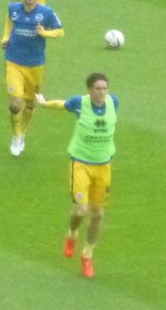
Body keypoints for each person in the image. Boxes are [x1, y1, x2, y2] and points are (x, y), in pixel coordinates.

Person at [34, 72, 120, 279]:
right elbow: (62, 105)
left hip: (103, 166)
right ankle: (72, 234)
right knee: (81, 211)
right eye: (98, 88)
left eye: (104, 88)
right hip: (81, 165)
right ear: (89, 89)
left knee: (98, 214)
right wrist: (44, 104)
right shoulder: (79, 103)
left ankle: (87, 254)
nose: (101, 92)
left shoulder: (113, 103)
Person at [1, 0, 64, 156]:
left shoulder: (46, 13)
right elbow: (9, 22)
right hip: (13, 61)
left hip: (35, 65)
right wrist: (6, 37)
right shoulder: (13, 8)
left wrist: (45, 33)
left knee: (30, 103)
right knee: (15, 104)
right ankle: (16, 136)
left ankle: (22, 133)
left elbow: (60, 31)